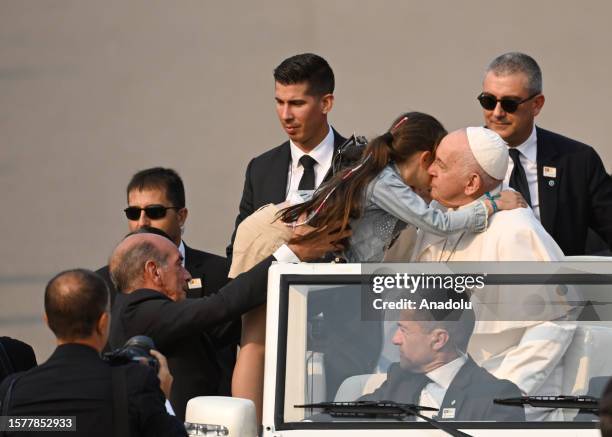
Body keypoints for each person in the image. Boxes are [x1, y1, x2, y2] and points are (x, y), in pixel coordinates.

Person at [230, 112, 525, 421]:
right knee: (259, 343)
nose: (438, 174)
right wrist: (490, 204)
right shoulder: (386, 182)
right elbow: (436, 222)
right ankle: (248, 430)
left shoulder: (390, 181)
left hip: (302, 244)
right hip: (280, 235)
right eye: (437, 164)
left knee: (281, 342)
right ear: (425, 158)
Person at [410, 126, 577, 420]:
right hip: (442, 380)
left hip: (503, 387)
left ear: (472, 183)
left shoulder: (515, 230)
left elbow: (555, 323)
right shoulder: (439, 216)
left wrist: (503, 390)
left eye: (441, 164)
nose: (430, 171)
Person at [108, 227, 348, 421]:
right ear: (154, 271)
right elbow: (220, 306)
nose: (187, 275)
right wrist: (290, 254)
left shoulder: (157, 315)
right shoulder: (137, 310)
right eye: (178, 264)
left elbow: (227, 321)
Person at [96, 167, 237, 396]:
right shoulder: (102, 283)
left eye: (155, 211)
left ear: (181, 216)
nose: (142, 221)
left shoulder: (221, 272)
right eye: (133, 213)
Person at [0, 269, 186, 437]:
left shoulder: (14, 391)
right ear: (103, 323)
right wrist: (162, 399)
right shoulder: (133, 383)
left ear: (48, 321)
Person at [478, 51, 612, 255]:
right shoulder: (458, 156)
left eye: (509, 104)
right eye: (488, 101)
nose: (497, 112)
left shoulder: (577, 161)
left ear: (537, 104)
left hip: (557, 284)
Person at [227, 53, 347, 261]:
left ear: (326, 103)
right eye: (279, 102)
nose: (285, 115)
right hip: (271, 292)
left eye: (297, 103)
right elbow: (240, 251)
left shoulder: (362, 164)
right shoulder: (260, 169)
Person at [360, 292, 525, 422]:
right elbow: (347, 420)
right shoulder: (399, 378)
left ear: (438, 340)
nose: (395, 339)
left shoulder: (496, 397)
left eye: (404, 330)